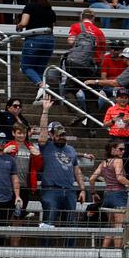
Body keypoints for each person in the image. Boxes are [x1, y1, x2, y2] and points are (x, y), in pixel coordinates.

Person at [37, 99, 87, 241]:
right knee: (48, 222)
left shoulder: (71, 149)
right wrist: (45, 111)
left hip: (69, 190)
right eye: (58, 134)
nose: (61, 137)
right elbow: (42, 131)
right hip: (51, 189)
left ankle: (70, 254)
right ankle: (44, 254)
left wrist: (82, 189)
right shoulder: (46, 146)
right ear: (52, 135)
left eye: (63, 134)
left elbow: (77, 170)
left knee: (71, 224)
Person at [88, 139, 129, 248]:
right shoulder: (118, 161)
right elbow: (119, 177)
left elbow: (92, 179)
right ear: (113, 149)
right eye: (120, 149)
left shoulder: (104, 163)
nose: (123, 151)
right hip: (119, 195)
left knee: (111, 227)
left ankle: (103, 255)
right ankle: (117, 256)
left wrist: (93, 193)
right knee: (119, 227)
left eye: (124, 149)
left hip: (107, 196)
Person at [16, 0, 56, 85]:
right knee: (40, 70)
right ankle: (41, 95)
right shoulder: (50, 10)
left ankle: (41, 85)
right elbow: (52, 27)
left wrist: (18, 26)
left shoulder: (30, 7)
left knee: (26, 67)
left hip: (34, 39)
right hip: (49, 40)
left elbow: (24, 23)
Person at [102, 89, 129, 159]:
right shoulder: (111, 109)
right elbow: (105, 124)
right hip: (114, 138)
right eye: (121, 97)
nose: (123, 100)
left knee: (128, 161)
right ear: (116, 98)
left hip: (128, 139)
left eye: (125, 98)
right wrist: (113, 120)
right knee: (113, 159)